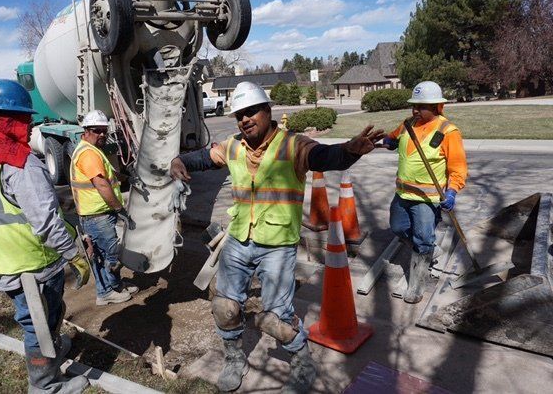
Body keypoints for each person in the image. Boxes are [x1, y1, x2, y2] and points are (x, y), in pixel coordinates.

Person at [170, 81, 384, 393]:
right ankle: (234, 358)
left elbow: (324, 156)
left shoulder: (293, 145)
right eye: (239, 115)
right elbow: (204, 157)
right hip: (240, 239)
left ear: (268, 111)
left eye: (251, 112)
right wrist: (180, 161)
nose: (244, 119)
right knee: (225, 307)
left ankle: (301, 361)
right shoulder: (234, 146)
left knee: (275, 318)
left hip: (277, 244)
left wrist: (349, 151)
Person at [0, 79, 90, 393]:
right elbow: (45, 223)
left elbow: (3, 204)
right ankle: (44, 384)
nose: (30, 125)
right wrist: (74, 254)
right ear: (13, 120)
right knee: (38, 324)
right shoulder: (20, 162)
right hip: (32, 265)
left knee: (47, 314)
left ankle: (51, 351)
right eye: (26, 119)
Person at [380, 80, 467, 304]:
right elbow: (394, 137)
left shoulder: (448, 131)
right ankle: (430, 249)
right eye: (414, 106)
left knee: (422, 238)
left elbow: (457, 168)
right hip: (402, 194)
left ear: (438, 106)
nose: (415, 110)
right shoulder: (408, 124)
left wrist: (452, 192)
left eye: (421, 106)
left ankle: (416, 287)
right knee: (398, 228)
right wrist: (389, 141)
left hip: (426, 200)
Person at [69, 110, 139, 306]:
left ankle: (114, 285)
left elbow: (109, 174)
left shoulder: (91, 150)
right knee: (110, 254)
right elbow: (102, 185)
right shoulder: (89, 154)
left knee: (104, 253)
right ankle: (106, 292)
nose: (102, 134)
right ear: (86, 130)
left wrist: (126, 178)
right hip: (96, 216)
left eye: (104, 131)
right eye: (97, 130)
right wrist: (120, 210)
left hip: (98, 214)